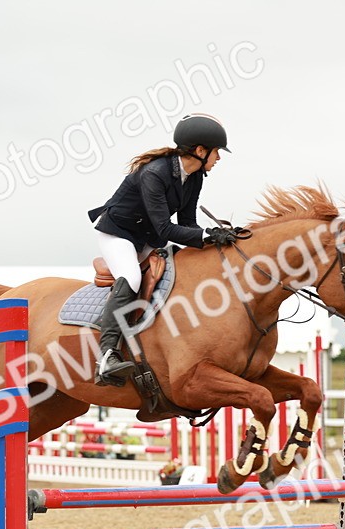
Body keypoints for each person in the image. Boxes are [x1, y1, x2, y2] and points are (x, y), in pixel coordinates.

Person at [87, 113, 238, 386]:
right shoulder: (154, 173)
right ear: (200, 151)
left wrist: (214, 237)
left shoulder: (194, 177)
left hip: (147, 238)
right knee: (132, 277)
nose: (219, 158)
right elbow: (166, 229)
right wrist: (205, 235)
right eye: (216, 152)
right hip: (118, 234)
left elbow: (188, 223)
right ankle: (106, 356)